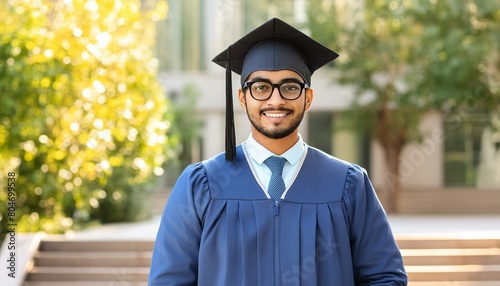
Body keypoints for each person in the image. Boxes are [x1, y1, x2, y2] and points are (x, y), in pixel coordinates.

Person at [149, 18, 407, 285]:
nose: (276, 100)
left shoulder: (348, 184)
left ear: (308, 98)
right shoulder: (201, 185)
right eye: (261, 87)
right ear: (242, 97)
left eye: (290, 87)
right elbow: (169, 280)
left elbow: (384, 276)